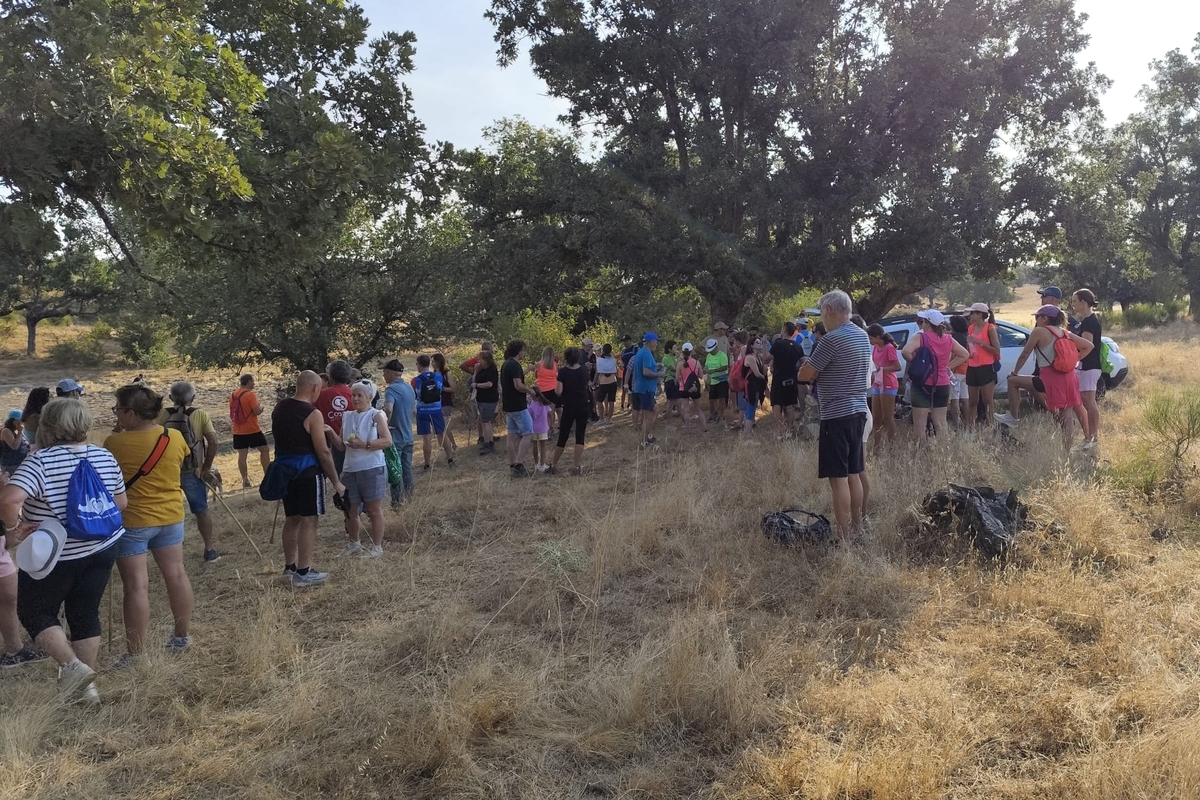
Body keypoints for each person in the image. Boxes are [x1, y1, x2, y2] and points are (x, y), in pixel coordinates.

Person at [0, 399, 126, 701]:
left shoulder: (40, 461)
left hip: (56, 553)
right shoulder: (103, 455)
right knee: (84, 612)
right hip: (102, 546)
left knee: (34, 610)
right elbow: (121, 503)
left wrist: (13, 530)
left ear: (48, 424)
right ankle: (85, 690)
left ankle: (73, 667)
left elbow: (8, 500)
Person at [106, 384, 195, 666]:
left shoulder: (114, 444)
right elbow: (181, 462)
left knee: (136, 587)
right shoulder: (174, 436)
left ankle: (137, 654)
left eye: (118, 410)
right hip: (170, 516)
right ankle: (181, 637)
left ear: (130, 413)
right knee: (177, 575)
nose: (116, 415)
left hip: (133, 521)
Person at [797, 291, 873, 540]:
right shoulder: (862, 335)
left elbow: (806, 375)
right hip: (859, 410)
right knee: (855, 472)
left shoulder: (831, 340)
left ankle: (842, 535)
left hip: (836, 414)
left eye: (822, 313)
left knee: (838, 478)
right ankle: (857, 527)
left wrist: (805, 367)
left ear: (829, 310)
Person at [272, 371, 344, 586]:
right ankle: (304, 572)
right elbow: (323, 451)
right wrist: (336, 481)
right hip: (307, 472)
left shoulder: (280, 407)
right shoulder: (312, 413)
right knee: (309, 519)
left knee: (292, 518)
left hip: (285, 471)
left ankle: (290, 567)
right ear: (314, 388)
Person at [1008, 305, 1092, 447]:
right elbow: (1089, 345)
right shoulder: (1064, 332)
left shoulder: (1039, 331)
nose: (1036, 320)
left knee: (1012, 381)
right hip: (1069, 377)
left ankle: (1013, 417)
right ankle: (1067, 451)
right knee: (1067, 412)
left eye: (1037, 317)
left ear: (1044, 318)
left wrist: (1015, 371)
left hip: (1050, 377)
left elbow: (1025, 353)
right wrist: (1074, 360)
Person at [330, 380, 392, 557]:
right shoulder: (347, 416)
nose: (355, 399)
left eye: (359, 395)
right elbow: (342, 446)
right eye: (353, 395)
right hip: (350, 469)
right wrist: (329, 431)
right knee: (350, 510)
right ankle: (354, 543)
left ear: (370, 397)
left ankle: (377, 547)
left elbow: (387, 441)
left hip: (372, 468)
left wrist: (364, 444)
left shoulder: (376, 415)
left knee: (373, 510)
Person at [167, 382, 221, 562]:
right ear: (194, 398)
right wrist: (205, 468)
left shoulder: (161, 414)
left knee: (169, 511)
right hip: (193, 470)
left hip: (167, 471)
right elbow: (213, 442)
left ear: (170, 398)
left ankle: (171, 554)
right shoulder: (200, 414)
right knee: (201, 510)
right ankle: (210, 550)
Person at [902, 310, 969, 442]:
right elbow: (965, 354)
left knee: (919, 424)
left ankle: (920, 453)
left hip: (923, 383)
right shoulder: (948, 339)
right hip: (942, 383)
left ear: (927, 323)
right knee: (941, 423)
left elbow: (905, 352)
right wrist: (947, 367)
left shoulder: (922, 337)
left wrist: (916, 362)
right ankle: (942, 452)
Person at [549, 346, 591, 475]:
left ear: (566, 358)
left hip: (569, 406)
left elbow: (558, 391)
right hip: (583, 405)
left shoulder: (563, 372)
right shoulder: (584, 370)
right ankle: (577, 466)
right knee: (580, 436)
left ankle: (554, 465)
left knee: (563, 437)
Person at [382, 360, 416, 506]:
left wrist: (384, 424)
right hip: (408, 435)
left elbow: (389, 408)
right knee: (407, 468)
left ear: (390, 373)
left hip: (395, 436)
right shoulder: (409, 388)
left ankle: (397, 503)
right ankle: (409, 499)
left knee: (395, 471)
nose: (383, 376)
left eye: (384, 373)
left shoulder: (391, 390)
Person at [412, 354, 455, 470]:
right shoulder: (438, 376)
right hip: (436, 409)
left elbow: (415, 396)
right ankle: (450, 458)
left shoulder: (415, 380)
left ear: (419, 365)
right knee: (441, 433)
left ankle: (427, 464)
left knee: (426, 438)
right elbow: (440, 390)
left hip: (422, 411)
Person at [1072, 289, 1103, 447]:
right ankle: (1090, 437)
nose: (1073, 305)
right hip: (1087, 366)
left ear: (1083, 302)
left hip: (1089, 366)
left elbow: (1087, 347)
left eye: (1075, 301)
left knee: (1089, 402)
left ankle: (1093, 437)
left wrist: (1072, 360)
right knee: (1086, 401)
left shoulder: (1089, 321)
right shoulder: (1089, 319)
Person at [964, 303, 1001, 431]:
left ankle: (991, 426)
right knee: (972, 400)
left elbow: (996, 350)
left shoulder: (990, 328)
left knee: (987, 400)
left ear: (979, 314)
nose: (970, 316)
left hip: (986, 367)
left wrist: (980, 342)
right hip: (972, 366)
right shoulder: (971, 328)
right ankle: (970, 428)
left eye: (972, 313)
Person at [230, 374, 270, 489]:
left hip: (238, 429)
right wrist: (261, 407)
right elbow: (256, 411)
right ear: (248, 382)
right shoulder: (250, 394)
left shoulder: (233, 394)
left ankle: (245, 480)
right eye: (253, 381)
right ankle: (267, 475)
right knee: (264, 449)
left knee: (242, 455)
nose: (254, 383)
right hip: (252, 429)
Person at [502, 341, 535, 477]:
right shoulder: (515, 365)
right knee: (528, 434)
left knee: (511, 436)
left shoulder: (506, 364)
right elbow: (518, 385)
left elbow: (514, 379)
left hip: (508, 405)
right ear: (519, 351)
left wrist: (526, 370)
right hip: (518, 405)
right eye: (523, 350)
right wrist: (530, 391)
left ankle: (512, 465)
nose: (524, 353)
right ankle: (519, 464)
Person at [867, 325, 901, 447]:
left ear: (878, 337)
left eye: (871, 338)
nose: (869, 341)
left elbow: (897, 367)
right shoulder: (876, 347)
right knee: (876, 417)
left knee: (888, 418)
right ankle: (876, 447)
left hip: (888, 384)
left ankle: (892, 447)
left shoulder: (889, 347)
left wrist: (880, 369)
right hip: (877, 383)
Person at [768, 322, 804, 437]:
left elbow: (766, 359)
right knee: (790, 406)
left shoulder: (778, 344)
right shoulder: (797, 346)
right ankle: (789, 431)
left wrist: (764, 345)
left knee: (777, 405)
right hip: (792, 379)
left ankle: (779, 432)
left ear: (784, 330)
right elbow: (805, 361)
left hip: (779, 379)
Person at [631, 333, 661, 447]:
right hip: (646, 389)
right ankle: (643, 442)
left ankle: (649, 436)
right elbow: (646, 372)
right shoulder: (647, 354)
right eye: (655, 341)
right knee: (647, 417)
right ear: (650, 342)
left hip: (640, 388)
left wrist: (656, 367)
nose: (656, 343)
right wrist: (659, 374)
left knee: (656, 409)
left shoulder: (641, 352)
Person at [736, 331, 766, 443]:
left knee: (752, 411)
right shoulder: (750, 358)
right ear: (752, 345)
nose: (760, 344)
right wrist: (764, 377)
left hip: (756, 386)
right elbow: (757, 373)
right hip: (750, 387)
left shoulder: (758, 357)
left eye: (760, 342)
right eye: (757, 343)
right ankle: (747, 438)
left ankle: (748, 435)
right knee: (749, 411)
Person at [472, 351, 500, 455]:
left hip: (489, 398)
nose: (479, 361)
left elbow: (489, 384)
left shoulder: (491, 369)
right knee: (484, 421)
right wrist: (475, 371)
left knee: (487, 421)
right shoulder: (481, 369)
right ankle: (486, 441)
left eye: (480, 359)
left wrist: (477, 385)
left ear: (486, 359)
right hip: (481, 398)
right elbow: (474, 381)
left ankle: (489, 443)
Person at [431, 353, 458, 455]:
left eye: (433, 361)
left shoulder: (447, 373)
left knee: (445, 426)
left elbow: (452, 388)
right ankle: (442, 447)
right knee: (437, 427)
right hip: (435, 403)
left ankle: (454, 444)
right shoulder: (433, 374)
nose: (432, 364)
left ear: (438, 361)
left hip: (445, 402)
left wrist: (441, 388)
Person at [676, 343, 707, 431]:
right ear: (692, 351)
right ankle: (704, 427)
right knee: (698, 409)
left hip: (683, 388)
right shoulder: (697, 363)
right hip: (694, 388)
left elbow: (677, 378)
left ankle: (688, 430)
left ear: (682, 352)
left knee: (686, 410)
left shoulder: (680, 364)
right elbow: (701, 376)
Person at [947, 315, 971, 427]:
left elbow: (952, 355)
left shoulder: (954, 338)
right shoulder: (968, 337)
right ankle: (968, 422)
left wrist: (949, 367)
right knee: (965, 397)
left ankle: (956, 424)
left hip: (955, 371)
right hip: (966, 370)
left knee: (954, 399)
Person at [532, 347, 560, 434]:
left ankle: (546, 429)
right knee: (552, 410)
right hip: (553, 389)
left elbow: (536, 376)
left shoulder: (538, 364)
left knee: (545, 411)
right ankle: (552, 428)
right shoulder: (555, 364)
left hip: (542, 390)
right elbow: (557, 376)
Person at [704, 338, 730, 425]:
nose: (710, 351)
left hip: (721, 380)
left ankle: (721, 416)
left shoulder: (722, 355)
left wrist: (714, 370)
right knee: (711, 399)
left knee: (721, 399)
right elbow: (706, 366)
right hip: (712, 380)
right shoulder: (709, 356)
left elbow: (725, 367)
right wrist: (706, 371)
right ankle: (713, 415)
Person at [594, 344, 619, 425]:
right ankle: (609, 419)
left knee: (599, 400)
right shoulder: (613, 359)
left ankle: (601, 418)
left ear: (603, 350)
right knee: (611, 400)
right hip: (613, 381)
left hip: (603, 382)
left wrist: (594, 382)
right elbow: (616, 371)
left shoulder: (599, 360)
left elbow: (597, 372)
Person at [529, 389, 553, 471]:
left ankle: (536, 464)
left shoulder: (531, 406)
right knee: (543, 446)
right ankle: (542, 464)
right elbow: (550, 414)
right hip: (543, 428)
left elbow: (529, 418)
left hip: (533, 429)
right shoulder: (545, 405)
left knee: (535, 446)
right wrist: (550, 424)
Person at [1, 409, 30, 475]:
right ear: (14, 421)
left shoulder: (14, 431)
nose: (22, 423)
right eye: (20, 421)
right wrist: (19, 432)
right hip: (11, 464)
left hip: (19, 462)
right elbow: (14, 446)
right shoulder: (6, 431)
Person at [661, 341, 680, 420]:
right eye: (674, 348)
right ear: (669, 349)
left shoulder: (673, 357)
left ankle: (685, 422)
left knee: (678, 403)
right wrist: (678, 359)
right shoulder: (666, 358)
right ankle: (669, 422)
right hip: (669, 381)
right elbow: (675, 368)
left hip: (674, 381)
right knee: (670, 403)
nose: (676, 349)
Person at [618, 336, 637, 411]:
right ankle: (624, 404)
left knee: (633, 387)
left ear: (629, 341)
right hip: (626, 370)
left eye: (626, 341)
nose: (624, 343)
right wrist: (621, 364)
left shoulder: (635, 348)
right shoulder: (623, 351)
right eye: (623, 341)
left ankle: (632, 404)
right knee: (626, 387)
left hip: (634, 370)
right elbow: (621, 360)